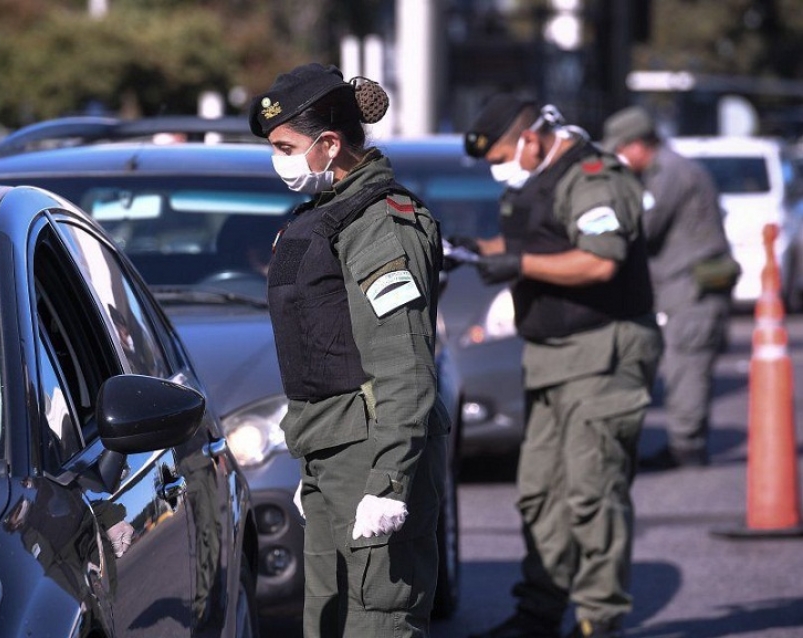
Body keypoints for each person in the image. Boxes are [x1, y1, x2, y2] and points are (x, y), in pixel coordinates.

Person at [249, 62, 448, 638]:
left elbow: (405, 365)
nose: (277, 160)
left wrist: (386, 482)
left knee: (376, 618)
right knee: (328, 620)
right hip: (333, 453)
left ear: (330, 143)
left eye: (286, 146)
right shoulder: (323, 216)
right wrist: (319, 464)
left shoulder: (380, 224)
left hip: (374, 453)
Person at [455, 94, 663, 638]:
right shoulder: (538, 181)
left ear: (533, 138)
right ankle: (538, 612)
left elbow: (599, 258)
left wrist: (516, 263)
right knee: (539, 493)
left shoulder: (594, 177)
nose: (501, 168)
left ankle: (599, 618)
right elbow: (538, 239)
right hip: (549, 357)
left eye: (503, 155)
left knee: (592, 492)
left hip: (603, 354)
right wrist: (474, 248)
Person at [602, 105, 738, 470]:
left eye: (619, 150)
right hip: (682, 287)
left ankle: (686, 447)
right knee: (682, 367)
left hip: (692, 289)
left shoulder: (671, 173)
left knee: (686, 368)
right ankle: (683, 442)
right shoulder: (667, 170)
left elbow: (643, 226)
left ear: (637, 145)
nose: (617, 158)